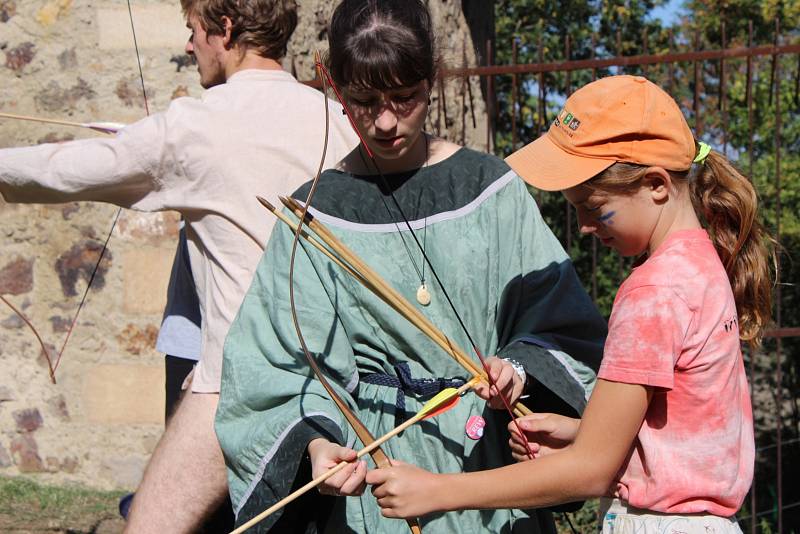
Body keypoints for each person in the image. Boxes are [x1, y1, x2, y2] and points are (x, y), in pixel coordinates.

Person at [215, 1, 607, 532]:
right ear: (335, 87)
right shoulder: (313, 215)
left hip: (487, 473)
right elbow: (273, 367)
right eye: (363, 101)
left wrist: (516, 369)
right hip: (376, 481)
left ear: (433, 80)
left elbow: (562, 323)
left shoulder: (489, 188)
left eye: (404, 98)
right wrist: (317, 445)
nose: (383, 122)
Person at [0, 0, 357, 531]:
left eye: (193, 30)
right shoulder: (339, 121)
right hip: (338, 382)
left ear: (225, 29)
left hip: (241, 384)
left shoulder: (195, 125)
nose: (189, 45)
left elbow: (65, 170)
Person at [366, 75, 772, 534]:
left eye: (593, 207)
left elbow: (591, 472)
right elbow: (685, 435)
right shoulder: (701, 266)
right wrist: (582, 432)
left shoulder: (653, 293)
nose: (582, 225)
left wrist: (437, 491)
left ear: (657, 184)